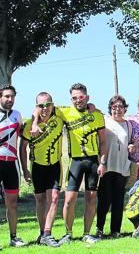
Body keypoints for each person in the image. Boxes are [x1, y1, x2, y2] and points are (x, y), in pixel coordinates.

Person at [32, 83, 107, 245]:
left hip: (93, 161)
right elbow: (40, 107)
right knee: (68, 200)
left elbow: (103, 142)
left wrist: (103, 162)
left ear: (87, 97)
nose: (78, 100)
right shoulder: (64, 112)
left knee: (91, 198)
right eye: (74, 98)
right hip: (75, 161)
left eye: (81, 97)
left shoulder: (98, 115)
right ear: (71, 99)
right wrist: (34, 123)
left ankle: (87, 233)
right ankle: (69, 233)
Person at [0, 85, 25, 251]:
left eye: (12, 96)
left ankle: (13, 237)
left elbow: (24, 137)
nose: (10, 100)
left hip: (11, 162)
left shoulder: (17, 115)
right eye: (7, 96)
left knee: (12, 202)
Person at [20, 92, 63, 247]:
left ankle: (47, 233)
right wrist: (25, 170)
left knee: (54, 198)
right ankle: (42, 233)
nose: (45, 108)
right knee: (40, 201)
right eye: (41, 105)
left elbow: (78, 111)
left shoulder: (59, 118)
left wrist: (92, 108)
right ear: (36, 107)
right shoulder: (28, 125)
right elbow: (22, 147)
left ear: (53, 104)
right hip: (37, 166)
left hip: (55, 165)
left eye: (48, 104)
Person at [96, 95, 134, 239]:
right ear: (110, 108)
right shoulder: (104, 121)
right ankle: (99, 228)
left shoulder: (128, 125)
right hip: (107, 166)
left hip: (122, 167)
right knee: (104, 200)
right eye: (114, 107)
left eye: (120, 107)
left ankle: (115, 230)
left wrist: (131, 146)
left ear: (125, 109)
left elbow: (129, 141)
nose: (117, 109)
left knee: (118, 201)